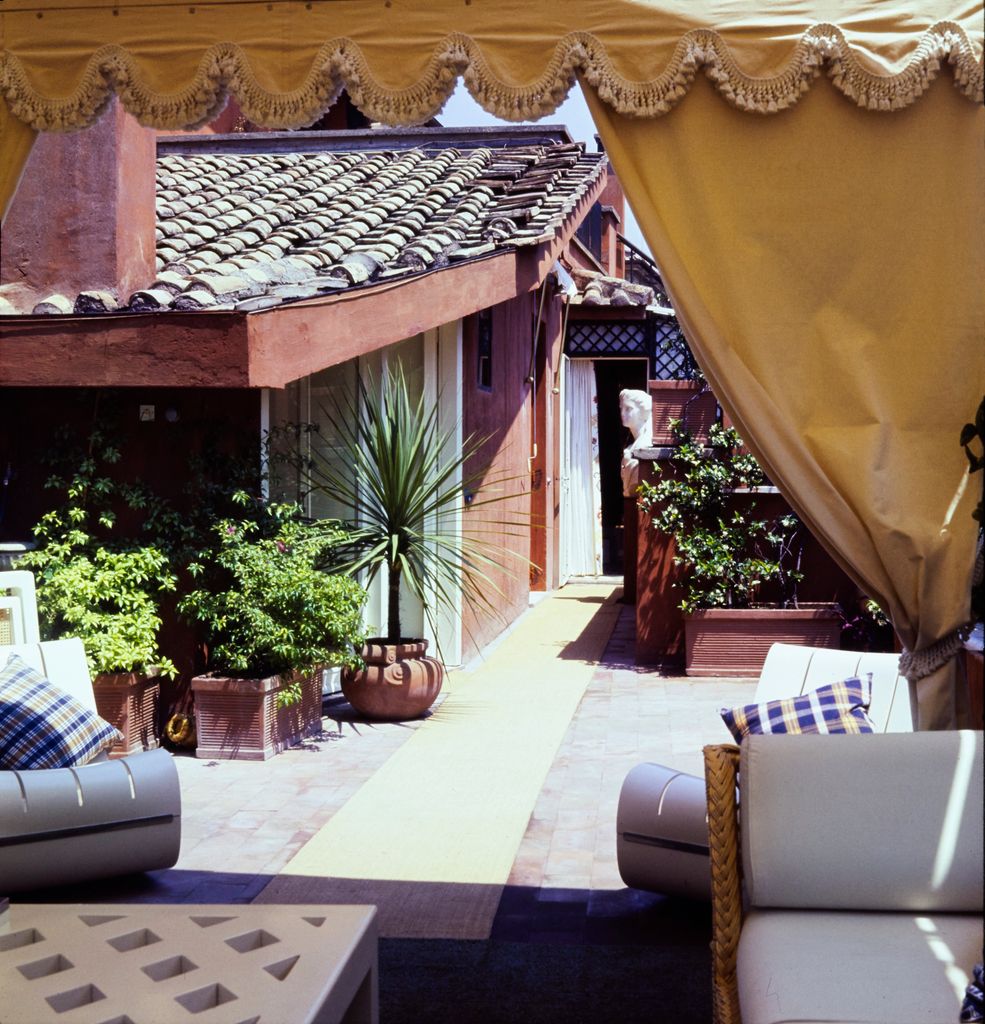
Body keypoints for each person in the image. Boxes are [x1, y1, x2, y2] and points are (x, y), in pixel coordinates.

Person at [619, 389, 653, 497]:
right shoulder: (631, 447)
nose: (622, 414)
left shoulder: (646, 444)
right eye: (621, 409)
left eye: (628, 409)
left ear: (643, 411)